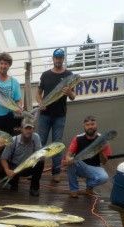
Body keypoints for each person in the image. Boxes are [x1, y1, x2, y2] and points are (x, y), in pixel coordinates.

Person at [36, 47, 76, 183]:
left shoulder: (70, 75)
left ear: (63, 59)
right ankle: (37, 170)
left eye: (60, 58)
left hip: (60, 115)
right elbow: (38, 94)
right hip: (44, 115)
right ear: (53, 59)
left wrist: (69, 92)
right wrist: (41, 103)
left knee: (57, 145)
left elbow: (73, 97)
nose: (58, 60)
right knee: (40, 143)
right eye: (56, 58)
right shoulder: (45, 75)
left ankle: (56, 172)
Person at [64, 115, 111, 198]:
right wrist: (68, 160)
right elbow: (68, 155)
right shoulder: (78, 138)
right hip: (80, 165)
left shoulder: (103, 139)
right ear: (84, 126)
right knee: (71, 161)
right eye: (87, 125)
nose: (90, 127)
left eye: (92, 124)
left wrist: (100, 151)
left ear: (96, 125)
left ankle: (89, 187)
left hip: (95, 167)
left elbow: (104, 162)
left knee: (104, 177)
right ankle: (74, 190)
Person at [0, 116, 44, 196]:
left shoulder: (36, 137)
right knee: (13, 188)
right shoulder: (13, 140)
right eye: (26, 128)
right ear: (21, 129)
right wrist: (7, 170)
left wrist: (43, 155)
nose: (28, 131)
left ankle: (34, 188)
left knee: (41, 162)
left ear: (33, 129)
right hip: (15, 167)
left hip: (28, 165)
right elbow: (3, 158)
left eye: (30, 128)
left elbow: (40, 154)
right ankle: (10, 181)